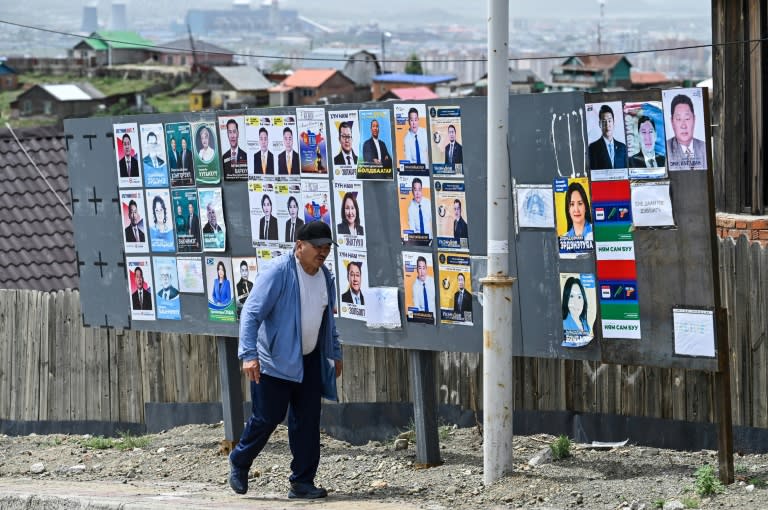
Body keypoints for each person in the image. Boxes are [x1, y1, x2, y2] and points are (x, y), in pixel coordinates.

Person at [228, 221, 343, 500]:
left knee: (307, 422)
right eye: (318, 247)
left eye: (327, 247)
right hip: (273, 361)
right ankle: (239, 461)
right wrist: (248, 355)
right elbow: (251, 314)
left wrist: (335, 352)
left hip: (310, 359)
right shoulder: (279, 273)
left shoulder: (325, 275)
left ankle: (302, 482)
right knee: (267, 417)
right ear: (299, 246)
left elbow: (328, 320)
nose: (323, 252)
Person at [666, 93, 706, 169]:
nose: (683, 126)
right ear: (672, 122)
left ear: (694, 119)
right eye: (678, 119)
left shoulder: (704, 147)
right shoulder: (666, 149)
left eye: (687, 118)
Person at [588, 104, 627, 170]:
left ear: (614, 123)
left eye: (609, 121)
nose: (607, 125)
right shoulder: (592, 148)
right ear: (599, 124)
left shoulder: (622, 147)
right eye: (604, 122)